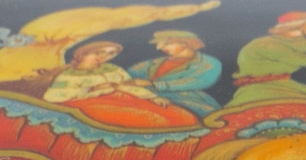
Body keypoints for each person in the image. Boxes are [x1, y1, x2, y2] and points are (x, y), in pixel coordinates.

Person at [40, 41, 200, 132]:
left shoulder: (113, 69)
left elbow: (127, 86)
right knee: (152, 120)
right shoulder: (69, 75)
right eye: (99, 52)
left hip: (122, 99)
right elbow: (53, 98)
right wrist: (93, 89)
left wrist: (152, 97)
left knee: (180, 116)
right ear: (82, 53)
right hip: (88, 106)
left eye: (110, 54)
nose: (104, 57)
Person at [128, 30, 223, 117]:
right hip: (146, 96)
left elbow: (200, 81)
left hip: (186, 100)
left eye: (167, 43)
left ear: (186, 43)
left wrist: (152, 84)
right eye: (159, 44)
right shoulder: (152, 63)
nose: (160, 48)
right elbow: (129, 75)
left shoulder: (209, 62)